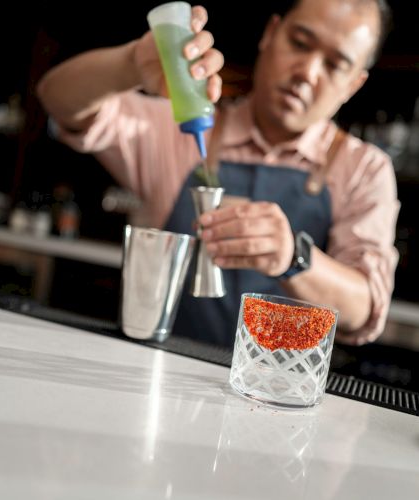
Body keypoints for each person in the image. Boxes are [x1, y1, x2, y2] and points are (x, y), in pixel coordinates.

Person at [37, 0, 399, 348]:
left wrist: (292, 257)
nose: (307, 72)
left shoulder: (364, 170)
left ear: (354, 84)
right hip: (162, 374)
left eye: (335, 64)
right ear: (270, 33)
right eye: (299, 43)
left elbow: (364, 309)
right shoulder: (181, 126)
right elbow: (57, 100)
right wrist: (131, 64)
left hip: (278, 396)